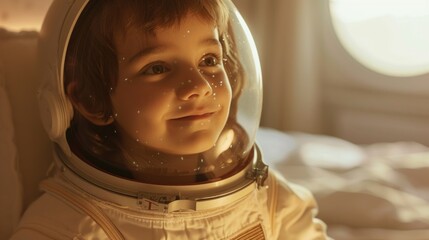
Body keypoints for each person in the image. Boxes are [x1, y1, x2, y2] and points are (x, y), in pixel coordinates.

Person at [10, 0, 330, 239]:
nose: (199, 87)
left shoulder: (268, 201)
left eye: (209, 60)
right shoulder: (72, 225)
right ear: (91, 101)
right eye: (158, 68)